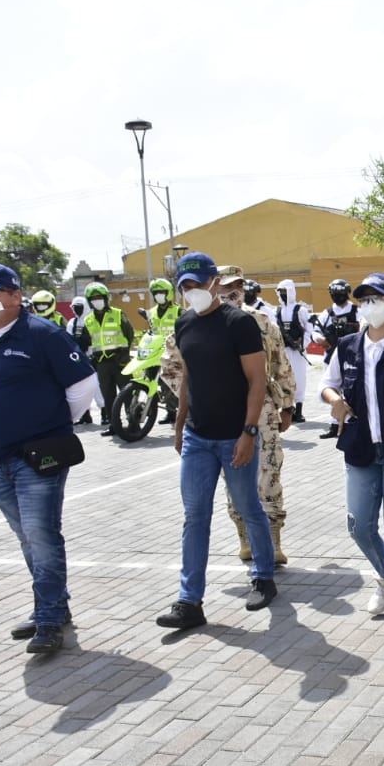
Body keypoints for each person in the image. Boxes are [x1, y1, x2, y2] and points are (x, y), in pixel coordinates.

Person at [0, 263, 99, 654]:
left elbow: (84, 383)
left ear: (15, 296)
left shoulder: (42, 333)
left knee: (41, 534)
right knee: (26, 536)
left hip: (36, 457)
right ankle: (52, 605)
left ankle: (51, 618)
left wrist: (55, 422)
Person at [155, 252, 277, 630]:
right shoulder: (184, 322)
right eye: (184, 285)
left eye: (196, 283)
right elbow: (188, 376)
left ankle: (263, 576)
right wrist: (179, 424)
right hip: (197, 437)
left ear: (213, 282)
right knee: (195, 517)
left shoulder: (238, 323)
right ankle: (189, 601)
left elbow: (256, 380)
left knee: (248, 507)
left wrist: (249, 431)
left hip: (234, 437)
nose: (191, 291)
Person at [162, 266, 297, 565]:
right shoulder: (191, 322)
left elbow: (280, 364)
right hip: (219, 417)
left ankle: (273, 543)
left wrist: (287, 405)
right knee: (234, 484)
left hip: (261, 414)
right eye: (226, 286)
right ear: (215, 286)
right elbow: (173, 368)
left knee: (269, 477)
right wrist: (200, 394)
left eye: (238, 285)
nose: (232, 291)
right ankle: (245, 539)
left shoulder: (261, 321)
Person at [322, 273, 384, 638]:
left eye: (377, 299)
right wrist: (337, 403)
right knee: (359, 526)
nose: (368, 306)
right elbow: (327, 386)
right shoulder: (347, 346)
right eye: (363, 300)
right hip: (360, 450)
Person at [81, 281, 134, 436]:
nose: (97, 300)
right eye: (94, 298)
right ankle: (114, 425)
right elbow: (88, 340)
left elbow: (129, 334)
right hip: (102, 363)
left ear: (106, 298)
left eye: (100, 297)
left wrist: (124, 354)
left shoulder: (118, 313)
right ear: (90, 301)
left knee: (127, 394)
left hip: (120, 360)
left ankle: (133, 423)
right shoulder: (88, 320)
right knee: (108, 395)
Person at [314, 279, 361, 439]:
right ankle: (334, 425)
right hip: (332, 356)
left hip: (354, 357)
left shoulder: (356, 311)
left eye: (341, 293)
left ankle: (349, 421)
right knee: (332, 389)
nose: (338, 296)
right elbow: (315, 330)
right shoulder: (327, 313)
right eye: (335, 294)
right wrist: (319, 339)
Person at [274, 278, 311, 423]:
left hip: (298, 351)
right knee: (284, 379)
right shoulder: (277, 311)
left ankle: (299, 410)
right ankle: (288, 410)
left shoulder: (300, 310)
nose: (283, 294)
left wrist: (302, 345)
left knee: (299, 379)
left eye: (285, 291)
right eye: (281, 291)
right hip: (283, 350)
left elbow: (308, 329)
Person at [145, 277, 181, 424]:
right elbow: (151, 331)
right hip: (156, 352)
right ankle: (170, 413)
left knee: (173, 382)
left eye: (162, 292)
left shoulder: (178, 310)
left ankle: (179, 410)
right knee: (162, 384)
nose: (159, 295)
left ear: (169, 293)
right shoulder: (151, 312)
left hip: (174, 353)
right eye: (156, 292)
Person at [65, 296, 99, 425]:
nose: (77, 310)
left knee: (98, 388)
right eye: (75, 307)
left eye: (80, 307)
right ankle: (85, 415)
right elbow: (68, 340)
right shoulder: (71, 323)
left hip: (92, 356)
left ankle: (104, 413)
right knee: (80, 387)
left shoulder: (91, 320)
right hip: (78, 358)